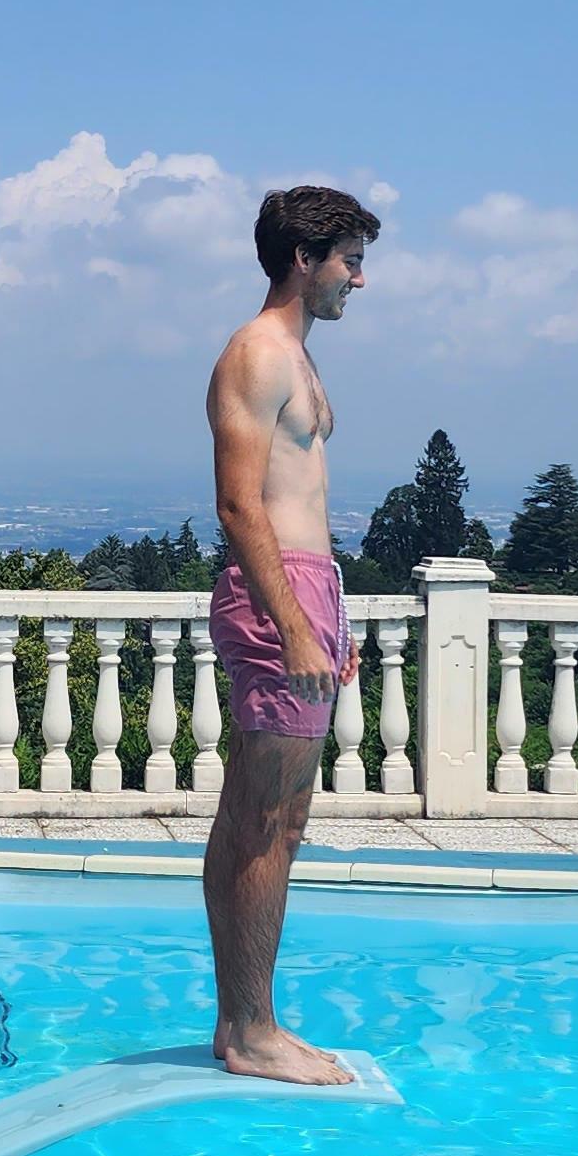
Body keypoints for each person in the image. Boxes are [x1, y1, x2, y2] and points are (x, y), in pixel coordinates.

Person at [203, 183, 380, 1082]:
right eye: (351, 260)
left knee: (277, 816)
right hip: (279, 599)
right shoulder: (258, 354)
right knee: (264, 819)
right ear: (303, 259)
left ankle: (246, 1021)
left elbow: (298, 500)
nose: (360, 279)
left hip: (307, 592)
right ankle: (251, 1031)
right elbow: (240, 506)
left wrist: (327, 621)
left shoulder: (297, 358)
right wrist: (292, 627)